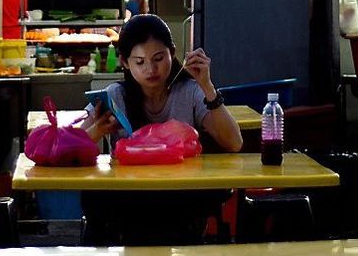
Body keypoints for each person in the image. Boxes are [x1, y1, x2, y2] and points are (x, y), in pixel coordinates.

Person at [83, 14, 242, 153]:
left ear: (172, 53)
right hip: (132, 186)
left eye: (158, 59)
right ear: (125, 62)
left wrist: (207, 86)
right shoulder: (115, 96)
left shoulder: (190, 91)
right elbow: (68, 148)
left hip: (181, 184)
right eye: (140, 62)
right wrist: (96, 131)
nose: (151, 69)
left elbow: (234, 144)